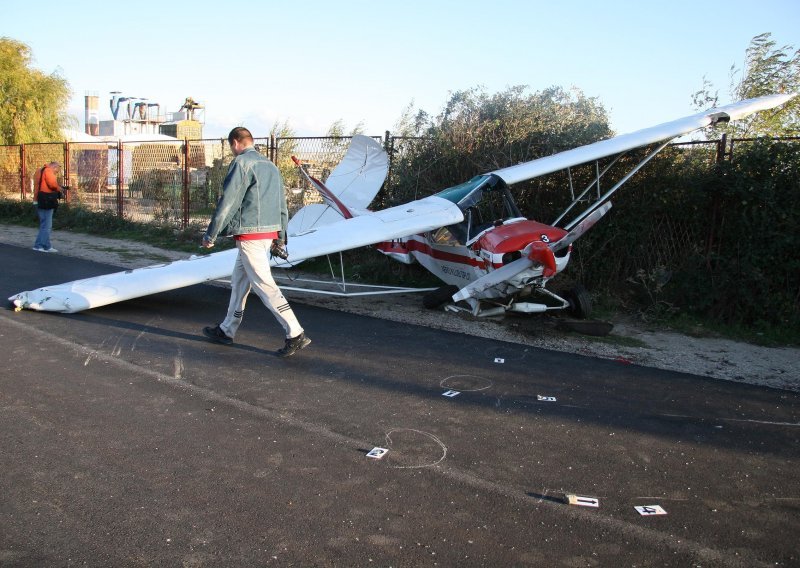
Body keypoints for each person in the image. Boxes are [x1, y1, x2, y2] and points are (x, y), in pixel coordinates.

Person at [201, 127, 310, 357]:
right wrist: (280, 237)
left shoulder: (242, 163)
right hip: (267, 235)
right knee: (239, 284)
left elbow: (228, 201)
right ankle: (226, 330)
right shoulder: (270, 166)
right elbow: (282, 204)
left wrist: (211, 234)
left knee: (264, 285)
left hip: (250, 237)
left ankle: (295, 332)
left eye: (231, 147)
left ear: (235, 143)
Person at [33, 161, 65, 253]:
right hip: (46, 200)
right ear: (55, 167)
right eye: (57, 171)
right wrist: (60, 189)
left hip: (38, 199)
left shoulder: (39, 170)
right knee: (47, 225)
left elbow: (39, 185)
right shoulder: (48, 171)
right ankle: (38, 246)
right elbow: (52, 184)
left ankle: (46, 246)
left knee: (44, 224)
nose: (56, 173)